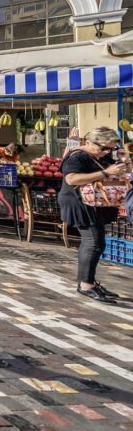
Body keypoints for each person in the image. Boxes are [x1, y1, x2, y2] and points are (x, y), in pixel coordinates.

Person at [58, 127, 126, 303]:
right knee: (94, 243)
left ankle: (87, 282)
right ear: (88, 142)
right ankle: (86, 285)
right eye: (103, 147)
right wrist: (105, 173)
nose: (106, 152)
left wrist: (123, 161)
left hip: (93, 203)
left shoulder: (99, 156)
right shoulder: (78, 156)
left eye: (110, 148)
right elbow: (71, 179)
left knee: (94, 242)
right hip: (79, 203)